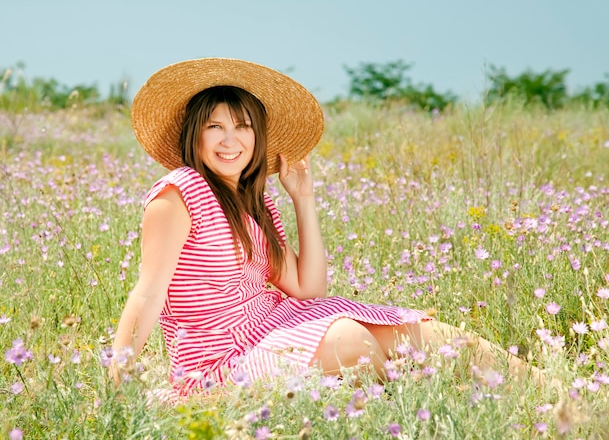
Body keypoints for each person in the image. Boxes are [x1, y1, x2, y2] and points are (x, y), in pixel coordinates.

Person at [111, 58, 533, 399]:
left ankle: (557, 394)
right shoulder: (178, 193)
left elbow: (307, 288)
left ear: (257, 138)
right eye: (214, 126)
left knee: (428, 334)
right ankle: (419, 400)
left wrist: (303, 200)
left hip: (275, 324)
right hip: (217, 361)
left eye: (243, 127)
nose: (230, 140)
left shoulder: (253, 202)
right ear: (194, 135)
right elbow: (149, 292)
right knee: (352, 341)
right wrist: (120, 379)